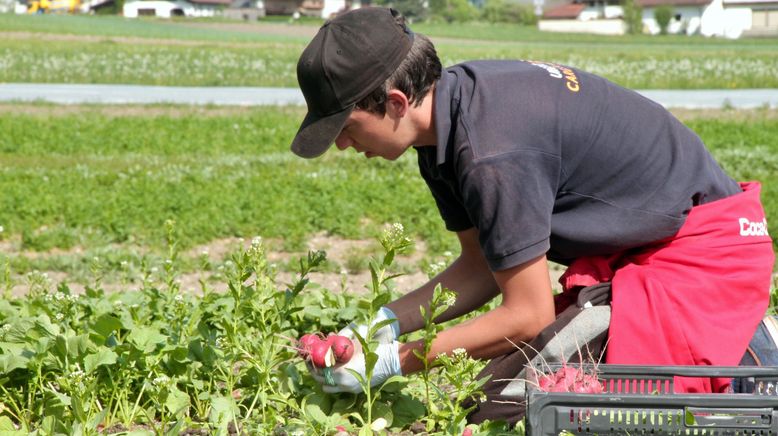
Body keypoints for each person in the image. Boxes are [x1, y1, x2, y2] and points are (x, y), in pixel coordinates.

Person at [290, 6, 775, 423]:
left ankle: (747, 364)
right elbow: (480, 267)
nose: (342, 144)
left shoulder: (490, 149)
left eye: (346, 127)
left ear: (395, 102)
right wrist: (381, 325)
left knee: (511, 405)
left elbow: (526, 315)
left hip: (702, 260)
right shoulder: (449, 115)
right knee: (490, 394)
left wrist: (392, 361)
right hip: (647, 244)